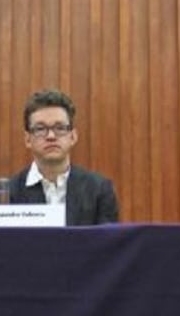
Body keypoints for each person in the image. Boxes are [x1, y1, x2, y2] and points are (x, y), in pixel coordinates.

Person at [7, 89, 119, 225]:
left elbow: (108, 244)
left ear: (73, 136)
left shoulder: (99, 189)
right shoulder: (9, 192)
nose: (51, 136)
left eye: (59, 128)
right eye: (40, 129)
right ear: (27, 139)